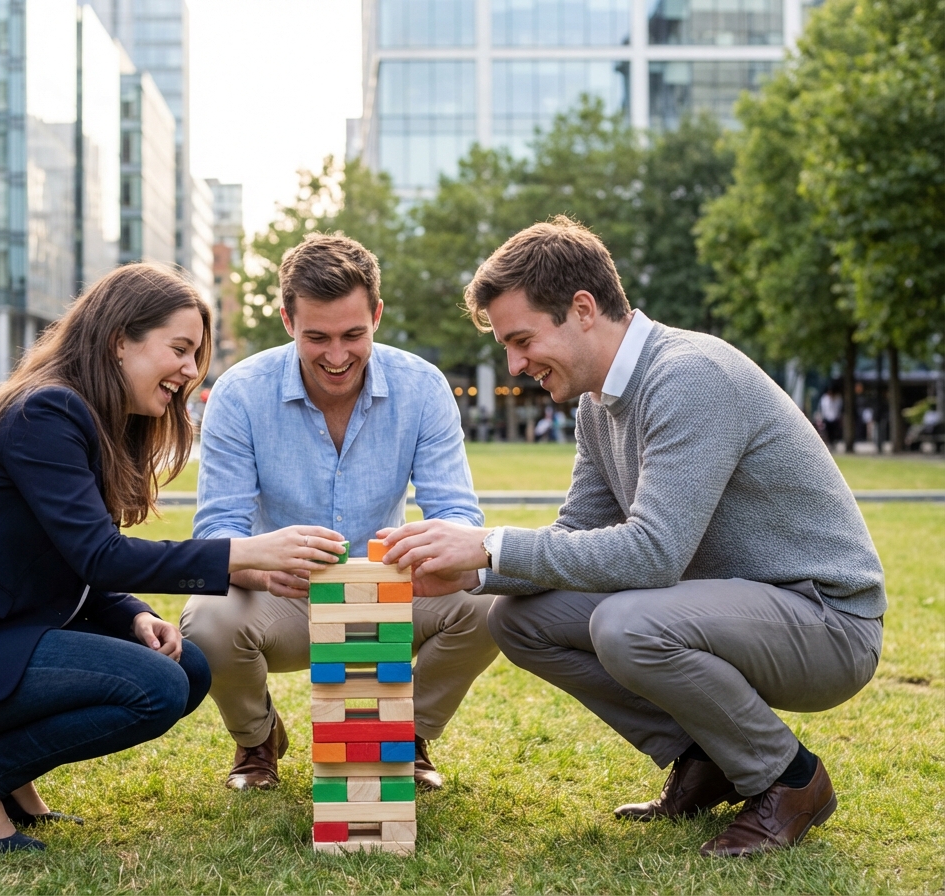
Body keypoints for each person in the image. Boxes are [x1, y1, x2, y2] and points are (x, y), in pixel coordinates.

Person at [379, 217, 885, 858]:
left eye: (522, 339)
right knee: (519, 620)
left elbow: (653, 552)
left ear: (582, 310)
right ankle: (706, 759)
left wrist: (487, 544)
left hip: (827, 622)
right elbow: (576, 538)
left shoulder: (688, 376)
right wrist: (471, 575)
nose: (514, 363)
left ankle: (790, 779)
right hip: (733, 607)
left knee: (627, 623)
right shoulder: (597, 404)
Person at [0, 263, 346, 855]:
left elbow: (73, 556)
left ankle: (10, 782)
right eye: (181, 349)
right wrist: (243, 553)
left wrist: (135, 615)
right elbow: (99, 554)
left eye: (197, 354)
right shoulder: (45, 412)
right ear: (120, 340)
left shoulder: (88, 417)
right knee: (157, 688)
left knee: (187, 668)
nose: (191, 371)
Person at [182, 233, 500, 792]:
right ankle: (258, 740)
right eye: (317, 337)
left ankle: (406, 735)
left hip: (391, 592)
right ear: (287, 321)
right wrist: (262, 568)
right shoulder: (238, 394)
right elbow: (217, 532)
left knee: (494, 596)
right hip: (284, 598)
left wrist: (433, 551)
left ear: (376, 315)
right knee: (206, 622)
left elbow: (456, 513)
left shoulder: (422, 387)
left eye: (354, 334)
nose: (336, 356)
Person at [819, 384, 843, 449]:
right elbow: (823, 409)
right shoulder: (825, 399)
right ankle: (829, 443)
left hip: (835, 418)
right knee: (828, 432)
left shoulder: (838, 399)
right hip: (827, 418)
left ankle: (833, 442)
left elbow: (838, 409)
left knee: (835, 432)